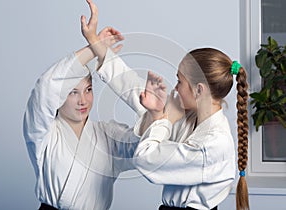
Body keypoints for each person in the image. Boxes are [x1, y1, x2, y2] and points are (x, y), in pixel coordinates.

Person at [82, 1, 250, 210]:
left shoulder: (213, 144)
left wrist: (163, 118)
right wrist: (97, 46)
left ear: (199, 90)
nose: (176, 88)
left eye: (180, 81)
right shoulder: (191, 118)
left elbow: (146, 159)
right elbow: (138, 93)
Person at [23, 16, 151, 210]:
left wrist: (105, 56)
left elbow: (150, 142)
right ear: (59, 96)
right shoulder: (43, 132)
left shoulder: (108, 137)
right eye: (72, 92)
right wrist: (93, 48)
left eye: (88, 90)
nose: (82, 100)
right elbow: (46, 87)